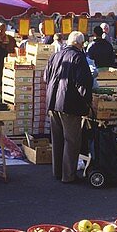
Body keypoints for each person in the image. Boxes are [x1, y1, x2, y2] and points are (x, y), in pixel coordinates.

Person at [43, 30, 94, 184]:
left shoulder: (56, 55)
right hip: (69, 103)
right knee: (72, 140)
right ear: (80, 44)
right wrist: (88, 102)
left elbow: (46, 77)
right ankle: (68, 175)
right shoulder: (78, 57)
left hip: (53, 101)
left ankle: (57, 172)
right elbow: (83, 83)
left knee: (57, 139)